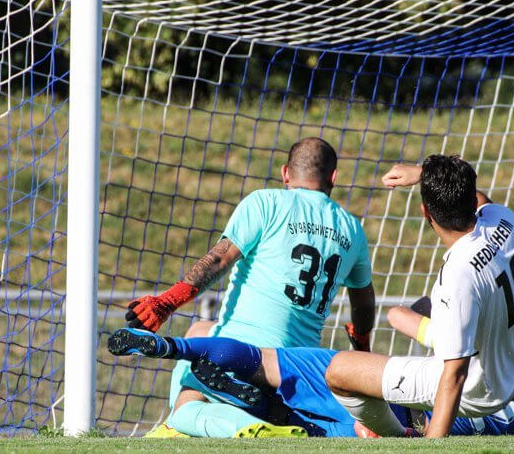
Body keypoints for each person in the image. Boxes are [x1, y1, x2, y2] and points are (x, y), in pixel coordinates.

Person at [123, 138, 377, 438]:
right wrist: (361, 345)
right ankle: (266, 409)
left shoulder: (266, 202)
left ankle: (232, 424)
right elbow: (363, 303)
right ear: (333, 177)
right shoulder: (352, 229)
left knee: (185, 409)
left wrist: (167, 302)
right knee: (200, 330)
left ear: (285, 173)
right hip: (297, 366)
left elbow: (218, 259)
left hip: (239, 351)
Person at [324, 155, 514, 438]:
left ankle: (399, 437)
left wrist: (434, 447)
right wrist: (426, 174)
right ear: (471, 201)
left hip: (480, 390)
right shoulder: (502, 219)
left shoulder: (456, 276)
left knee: (339, 371)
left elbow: (455, 374)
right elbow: (481, 199)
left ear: (425, 213)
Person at [107, 309, 514, 437]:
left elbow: (398, 314)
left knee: (265, 362)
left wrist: (446, 320)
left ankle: (172, 345)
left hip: (395, 381)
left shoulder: (464, 344)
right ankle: (258, 408)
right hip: (401, 419)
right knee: (307, 422)